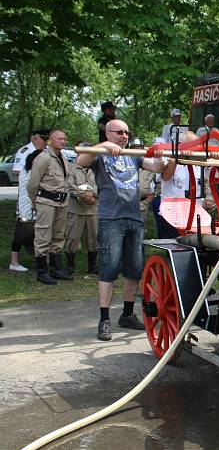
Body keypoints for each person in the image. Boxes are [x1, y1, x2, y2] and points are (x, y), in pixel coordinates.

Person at [77, 118, 174, 341]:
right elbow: (81, 161)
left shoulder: (132, 155)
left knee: (134, 269)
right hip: (111, 219)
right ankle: (104, 320)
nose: (124, 136)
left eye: (126, 132)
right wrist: (102, 147)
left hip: (134, 218)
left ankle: (128, 314)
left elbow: (158, 167)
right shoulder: (99, 154)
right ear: (108, 133)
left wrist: (163, 154)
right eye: (119, 132)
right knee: (108, 270)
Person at [28, 129, 73, 284]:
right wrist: (34, 201)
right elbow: (33, 183)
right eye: (59, 139)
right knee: (43, 234)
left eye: (64, 139)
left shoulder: (63, 158)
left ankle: (55, 269)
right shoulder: (43, 158)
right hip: (46, 201)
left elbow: (65, 181)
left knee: (59, 235)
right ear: (50, 141)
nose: (63, 141)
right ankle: (42, 271)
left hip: (61, 202)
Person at [9, 129, 48, 272]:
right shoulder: (26, 154)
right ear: (35, 138)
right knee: (22, 230)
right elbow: (18, 172)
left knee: (38, 231)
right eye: (43, 139)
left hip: (38, 201)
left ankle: (40, 260)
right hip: (27, 202)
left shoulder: (44, 151)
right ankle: (14, 262)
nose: (45, 142)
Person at [65, 141, 99, 276]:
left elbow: (101, 183)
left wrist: (93, 194)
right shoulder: (70, 168)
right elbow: (68, 185)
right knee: (72, 237)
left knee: (94, 238)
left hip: (93, 208)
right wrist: (83, 195)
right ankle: (70, 266)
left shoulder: (97, 168)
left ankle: (92, 266)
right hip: (75, 208)